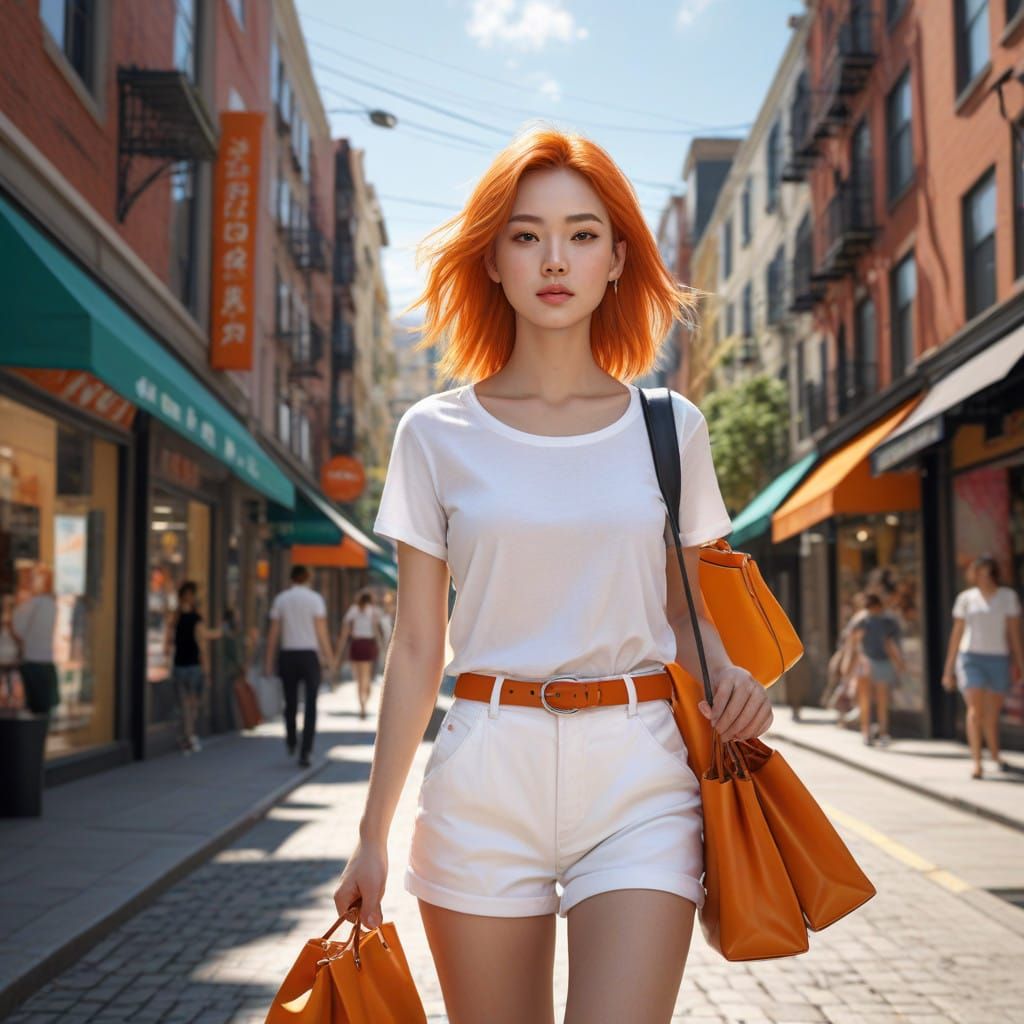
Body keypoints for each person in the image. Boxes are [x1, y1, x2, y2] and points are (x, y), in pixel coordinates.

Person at [328, 127, 773, 1023]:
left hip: (639, 771)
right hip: (485, 770)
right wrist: (371, 833)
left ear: (617, 258)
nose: (555, 258)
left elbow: (684, 612)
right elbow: (418, 645)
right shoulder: (433, 433)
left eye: (583, 233)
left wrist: (727, 670)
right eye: (527, 235)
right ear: (492, 259)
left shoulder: (670, 427)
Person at [942, 556, 1024, 779]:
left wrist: (1020, 663)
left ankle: (995, 754)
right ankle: (977, 761)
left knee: (991, 714)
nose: (983, 577)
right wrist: (949, 669)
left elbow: (1014, 634)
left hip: (998, 658)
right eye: (979, 573)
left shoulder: (1008, 597)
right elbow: (957, 634)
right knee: (975, 711)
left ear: (995, 574)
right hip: (970, 658)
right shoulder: (966, 599)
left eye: (987, 572)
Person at [265, 565, 333, 768]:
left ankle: (292, 739)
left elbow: (274, 633)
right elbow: (321, 632)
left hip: (288, 655)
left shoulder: (281, 599)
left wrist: (268, 661)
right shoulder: (315, 599)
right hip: (309, 656)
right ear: (308, 578)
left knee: (290, 701)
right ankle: (306, 751)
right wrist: (329, 659)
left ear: (291, 578)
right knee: (311, 703)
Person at [164, 581, 215, 754]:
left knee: (184, 704)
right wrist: (207, 670)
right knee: (191, 704)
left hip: (180, 663)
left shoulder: (176, 617)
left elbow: (168, 642)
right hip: (192, 665)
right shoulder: (194, 618)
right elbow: (202, 643)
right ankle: (189, 735)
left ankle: (186, 735)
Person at [852, 592, 906, 747]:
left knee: (867, 700)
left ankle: (868, 733)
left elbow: (856, 644)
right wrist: (899, 662)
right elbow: (888, 644)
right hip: (879, 662)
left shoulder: (862, 620)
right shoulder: (885, 621)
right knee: (880, 700)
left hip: (869, 662)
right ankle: (880, 732)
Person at [11, 567, 58, 721]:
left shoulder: (36, 603)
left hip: (34, 659)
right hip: (44, 659)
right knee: (43, 708)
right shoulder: (49, 603)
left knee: (36, 708)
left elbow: (17, 627)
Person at [334, 589, 388, 720]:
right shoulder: (374, 611)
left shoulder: (353, 610)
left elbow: (345, 631)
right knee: (366, 675)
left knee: (359, 678)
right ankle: (366, 695)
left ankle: (362, 705)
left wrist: (339, 652)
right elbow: (376, 630)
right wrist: (382, 647)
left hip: (356, 644)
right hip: (368, 645)